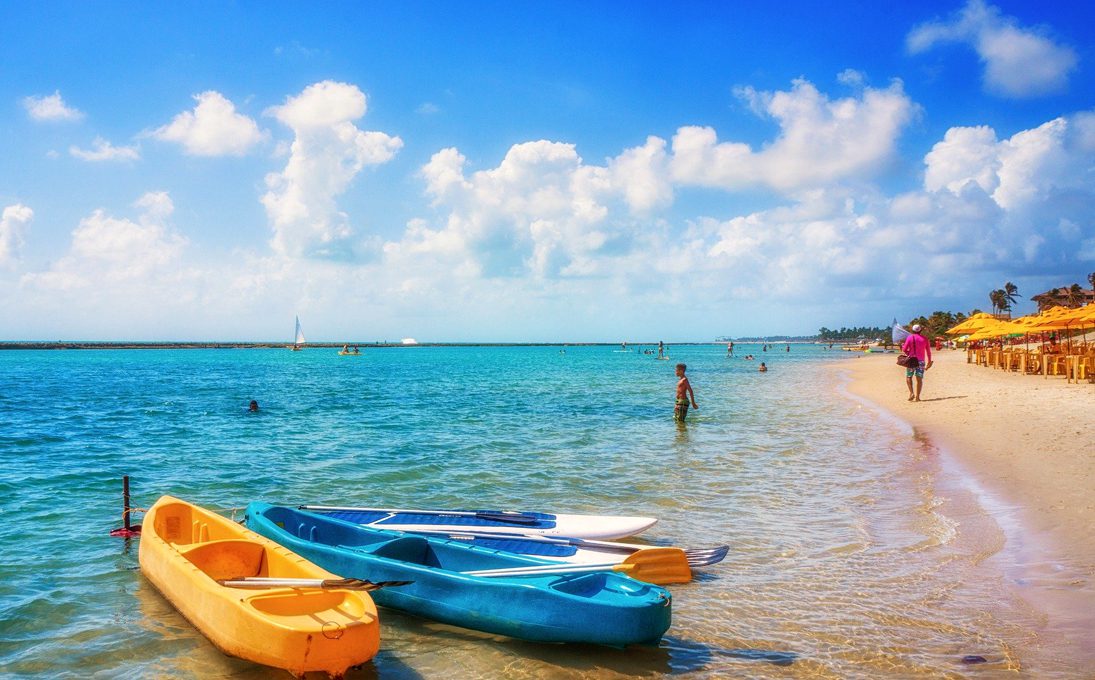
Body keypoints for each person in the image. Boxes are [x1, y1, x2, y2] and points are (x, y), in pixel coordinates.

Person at [901, 324, 933, 402]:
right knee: (919, 379)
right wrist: (929, 361)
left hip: (912, 360)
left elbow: (904, 349)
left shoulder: (910, 338)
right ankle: (918, 397)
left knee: (909, 376)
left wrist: (908, 352)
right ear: (920, 330)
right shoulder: (925, 339)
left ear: (912, 330)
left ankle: (911, 393)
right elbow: (928, 351)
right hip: (921, 361)